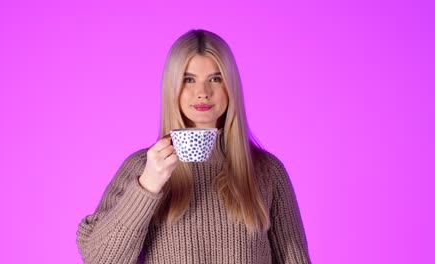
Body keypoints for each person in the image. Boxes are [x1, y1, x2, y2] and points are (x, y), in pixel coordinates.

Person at [76, 29, 311, 264]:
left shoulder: (267, 171)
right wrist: (148, 185)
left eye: (215, 79)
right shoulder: (142, 167)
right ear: (173, 89)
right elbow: (100, 259)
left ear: (231, 88)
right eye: (189, 80)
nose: (202, 93)